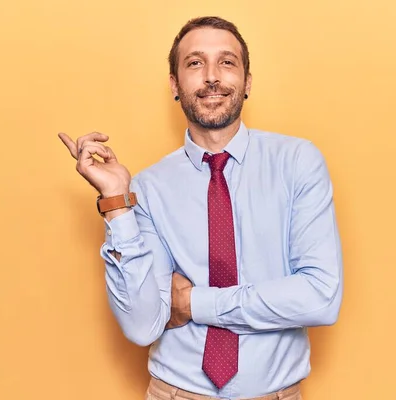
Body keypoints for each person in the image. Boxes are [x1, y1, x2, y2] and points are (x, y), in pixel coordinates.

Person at [58, 16, 343, 400]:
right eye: (195, 63)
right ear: (175, 85)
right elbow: (143, 325)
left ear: (247, 82)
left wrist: (193, 303)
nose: (211, 76)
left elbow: (320, 297)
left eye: (227, 62)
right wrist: (116, 203)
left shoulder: (297, 163)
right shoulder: (147, 188)